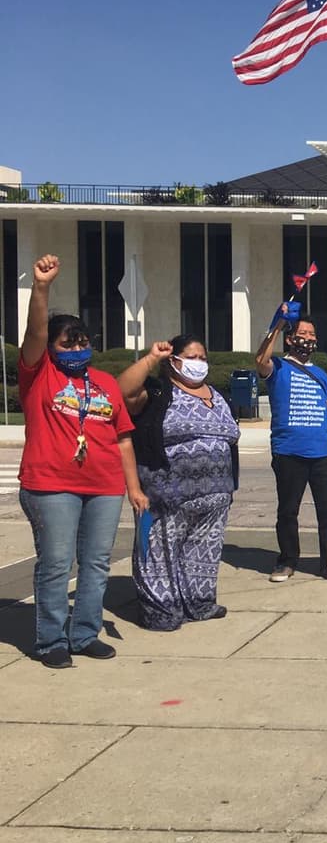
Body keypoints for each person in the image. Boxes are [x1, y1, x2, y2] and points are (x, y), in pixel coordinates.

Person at [17, 254, 148, 668]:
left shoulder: (105, 384)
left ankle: (84, 632)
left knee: (96, 563)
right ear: (50, 349)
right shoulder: (39, 374)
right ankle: (51, 640)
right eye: (67, 342)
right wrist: (42, 288)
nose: (77, 348)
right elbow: (35, 331)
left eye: (83, 341)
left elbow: (123, 438)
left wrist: (133, 487)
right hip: (50, 485)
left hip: (104, 485)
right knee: (56, 563)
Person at [117, 336, 241, 630]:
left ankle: (199, 603)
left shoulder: (217, 395)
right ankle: (161, 609)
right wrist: (150, 359)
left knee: (203, 552)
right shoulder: (158, 392)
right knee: (158, 551)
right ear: (173, 361)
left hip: (215, 496)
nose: (198, 363)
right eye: (191, 356)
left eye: (202, 357)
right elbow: (120, 392)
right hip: (165, 495)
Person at [256, 304, 327, 583]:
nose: (308, 339)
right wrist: (277, 323)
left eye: (312, 334)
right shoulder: (278, 367)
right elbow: (261, 359)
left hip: (322, 453)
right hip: (288, 452)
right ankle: (286, 561)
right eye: (303, 333)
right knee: (288, 510)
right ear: (290, 338)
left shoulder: (322, 375)